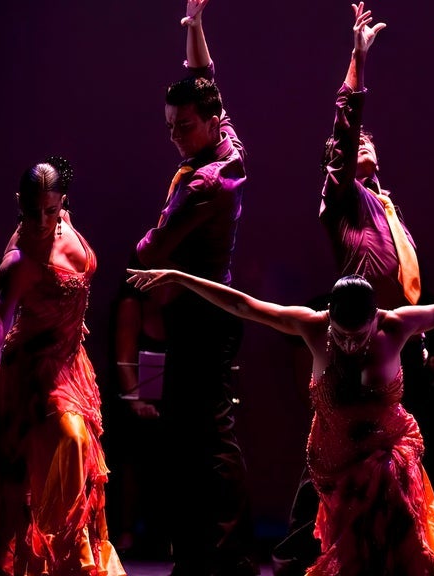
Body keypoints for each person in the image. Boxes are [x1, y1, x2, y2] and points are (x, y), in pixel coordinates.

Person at [127, 267, 434, 576]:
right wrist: (181, 278)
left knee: (387, 503)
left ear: (375, 319)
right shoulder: (311, 325)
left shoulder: (397, 326)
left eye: (358, 334)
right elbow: (245, 305)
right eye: (341, 336)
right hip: (331, 458)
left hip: (385, 452)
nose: (349, 345)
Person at [271, 4, 430, 573]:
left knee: (379, 459)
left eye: (367, 141)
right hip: (351, 338)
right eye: (352, 145)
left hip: (385, 338)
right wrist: (358, 61)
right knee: (336, 451)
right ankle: (298, 550)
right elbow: (344, 128)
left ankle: (374, 551)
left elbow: (404, 277)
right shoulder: (341, 202)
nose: (361, 144)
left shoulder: (386, 207)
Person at [130, 0, 257, 574]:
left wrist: (148, 243)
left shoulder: (207, 182)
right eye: (169, 127)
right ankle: (207, 553)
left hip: (201, 315)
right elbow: (209, 80)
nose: (176, 137)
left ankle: (220, 555)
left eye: (183, 127)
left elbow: (148, 251)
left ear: (207, 124)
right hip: (204, 309)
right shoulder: (227, 145)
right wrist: (197, 28)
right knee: (198, 434)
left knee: (205, 437)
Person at [0, 156, 126, 576]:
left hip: (72, 364)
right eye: (33, 211)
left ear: (62, 202)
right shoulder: (19, 260)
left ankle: (63, 554)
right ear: (20, 202)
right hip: (33, 372)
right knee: (71, 440)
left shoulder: (62, 218)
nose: (43, 219)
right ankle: (60, 543)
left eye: (51, 210)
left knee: (74, 464)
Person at [102, 251, 169, 560]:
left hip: (162, 400)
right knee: (133, 456)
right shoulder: (132, 305)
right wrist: (137, 401)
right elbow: (125, 360)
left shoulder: (170, 308)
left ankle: (164, 532)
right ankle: (126, 531)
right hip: (132, 401)